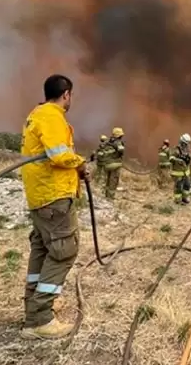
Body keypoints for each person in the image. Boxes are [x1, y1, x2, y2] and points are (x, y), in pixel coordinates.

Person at [19, 74, 88, 339]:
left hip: (40, 197)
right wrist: (79, 163)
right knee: (63, 251)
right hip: (53, 197)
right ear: (67, 94)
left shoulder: (36, 114)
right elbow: (59, 155)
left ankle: (33, 312)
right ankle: (41, 319)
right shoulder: (52, 116)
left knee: (42, 250)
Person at [98, 127, 126, 199]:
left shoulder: (108, 142)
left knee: (107, 180)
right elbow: (121, 151)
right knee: (113, 181)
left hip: (107, 164)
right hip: (115, 165)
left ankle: (106, 195)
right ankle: (110, 197)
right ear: (119, 135)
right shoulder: (118, 142)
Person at [169, 134, 191, 204]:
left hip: (185, 172)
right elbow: (171, 158)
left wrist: (190, 157)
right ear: (182, 142)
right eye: (185, 144)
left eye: (187, 144)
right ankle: (177, 200)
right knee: (178, 186)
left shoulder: (186, 150)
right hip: (178, 172)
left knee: (187, 185)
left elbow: (189, 156)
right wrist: (177, 160)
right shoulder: (176, 149)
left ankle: (185, 198)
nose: (186, 145)